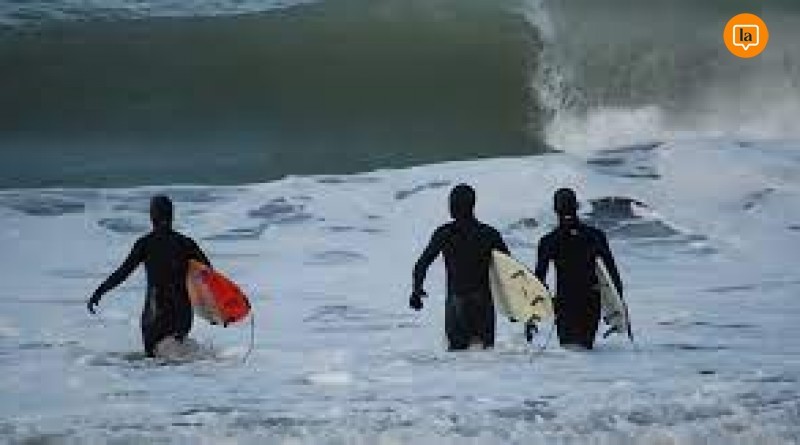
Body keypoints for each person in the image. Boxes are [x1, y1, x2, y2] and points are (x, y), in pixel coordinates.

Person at [87, 195, 211, 357]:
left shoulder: (145, 244)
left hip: (156, 315)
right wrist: (214, 313)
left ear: (152, 217)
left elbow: (122, 273)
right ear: (172, 216)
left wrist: (100, 291)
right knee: (177, 356)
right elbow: (209, 276)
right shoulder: (186, 243)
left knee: (154, 360)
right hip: (182, 315)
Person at [410, 184, 510, 350]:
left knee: (458, 357)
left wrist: (416, 291)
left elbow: (422, 264)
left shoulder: (444, 233)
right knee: (485, 356)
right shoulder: (489, 234)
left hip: (457, 301)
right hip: (482, 303)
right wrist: (512, 307)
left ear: (454, 206)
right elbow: (509, 272)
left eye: (451, 203)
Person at [534, 188, 623, 350]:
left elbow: (538, 282)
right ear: (577, 206)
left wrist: (532, 316)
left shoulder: (549, 241)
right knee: (586, 350)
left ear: (555, 209)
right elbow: (613, 273)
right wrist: (619, 307)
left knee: (570, 352)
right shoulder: (595, 236)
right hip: (591, 301)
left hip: (565, 302)